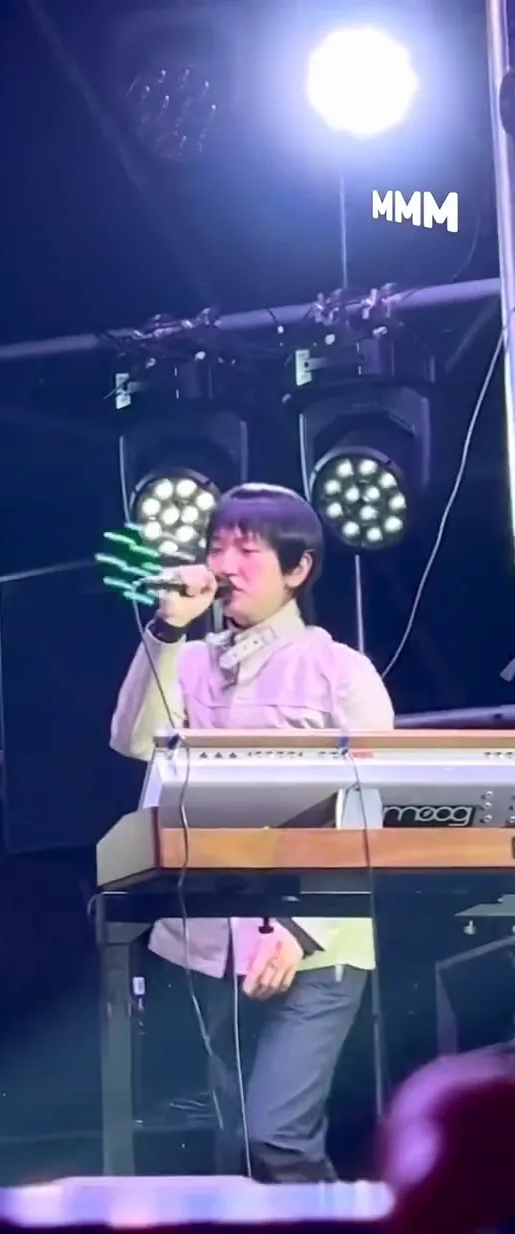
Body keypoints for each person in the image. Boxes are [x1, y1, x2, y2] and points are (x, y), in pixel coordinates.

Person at [110, 483, 395, 1183]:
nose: (225, 565)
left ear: (298, 569)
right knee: (239, 1150)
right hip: (211, 942)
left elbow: (373, 813)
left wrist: (298, 931)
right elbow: (134, 740)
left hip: (318, 940)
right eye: (216, 548)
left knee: (277, 1139)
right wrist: (169, 629)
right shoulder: (191, 660)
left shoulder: (339, 671)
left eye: (247, 550)